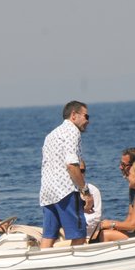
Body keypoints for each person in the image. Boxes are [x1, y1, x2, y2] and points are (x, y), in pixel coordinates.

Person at [39, 100, 93, 248]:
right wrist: (85, 192)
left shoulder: (51, 135)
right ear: (74, 115)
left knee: (48, 236)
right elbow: (71, 164)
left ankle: (43, 261)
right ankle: (76, 262)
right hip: (65, 191)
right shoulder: (72, 131)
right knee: (79, 236)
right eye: (86, 116)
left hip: (47, 193)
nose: (88, 121)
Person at [79, 160, 102, 237]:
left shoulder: (93, 190)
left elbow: (97, 217)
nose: (79, 174)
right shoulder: (64, 192)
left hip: (87, 235)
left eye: (82, 171)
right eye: (76, 171)